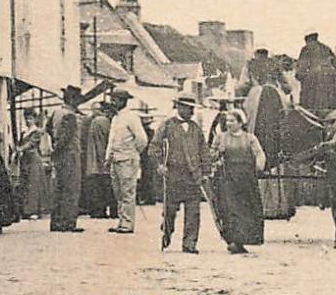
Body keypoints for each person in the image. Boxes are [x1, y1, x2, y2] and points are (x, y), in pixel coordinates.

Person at [150, 96, 208, 253]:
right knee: (170, 211)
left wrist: (205, 172)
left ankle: (189, 244)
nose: (192, 111)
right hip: (173, 175)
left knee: (193, 212)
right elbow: (154, 147)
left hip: (192, 176)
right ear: (179, 107)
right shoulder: (167, 126)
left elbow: (203, 150)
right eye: (188, 108)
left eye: (192, 108)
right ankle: (166, 233)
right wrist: (160, 164)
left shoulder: (195, 128)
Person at [208, 108, 267, 254]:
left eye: (232, 121)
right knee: (230, 210)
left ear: (240, 122)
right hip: (227, 179)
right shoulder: (221, 138)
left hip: (246, 180)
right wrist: (217, 152)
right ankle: (233, 240)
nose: (228, 123)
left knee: (246, 210)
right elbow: (211, 155)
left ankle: (243, 240)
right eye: (227, 121)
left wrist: (259, 166)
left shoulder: (250, 138)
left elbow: (259, 154)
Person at [105, 89, 147, 234]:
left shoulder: (131, 117)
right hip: (115, 159)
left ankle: (128, 224)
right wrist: (108, 156)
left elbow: (142, 139)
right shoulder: (116, 118)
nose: (112, 102)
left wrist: (132, 153)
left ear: (123, 101)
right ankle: (122, 221)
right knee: (118, 192)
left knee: (127, 191)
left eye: (115, 99)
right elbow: (112, 139)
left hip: (127, 159)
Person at [47, 86, 87, 233]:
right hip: (69, 154)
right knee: (71, 188)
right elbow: (66, 138)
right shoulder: (70, 116)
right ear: (72, 99)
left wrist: (54, 146)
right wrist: (58, 148)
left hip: (60, 155)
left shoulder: (56, 113)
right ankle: (68, 222)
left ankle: (56, 221)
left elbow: (48, 130)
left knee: (59, 188)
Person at [295, 32, 336, 113]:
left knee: (310, 108)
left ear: (307, 39)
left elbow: (300, 71)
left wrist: (300, 77)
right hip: (332, 82)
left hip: (314, 85)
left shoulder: (306, 49)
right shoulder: (326, 48)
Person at [16, 109, 53, 219]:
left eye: (30, 119)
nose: (28, 121)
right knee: (25, 183)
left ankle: (33, 210)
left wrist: (21, 148)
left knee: (34, 184)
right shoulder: (24, 132)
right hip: (25, 159)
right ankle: (25, 209)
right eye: (26, 118)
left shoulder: (37, 131)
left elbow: (32, 143)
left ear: (35, 119)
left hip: (33, 158)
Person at [81, 99, 114, 218]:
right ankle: (103, 211)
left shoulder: (93, 121)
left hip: (94, 160)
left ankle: (97, 211)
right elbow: (105, 141)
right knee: (104, 187)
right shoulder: (103, 121)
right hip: (100, 160)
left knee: (96, 187)